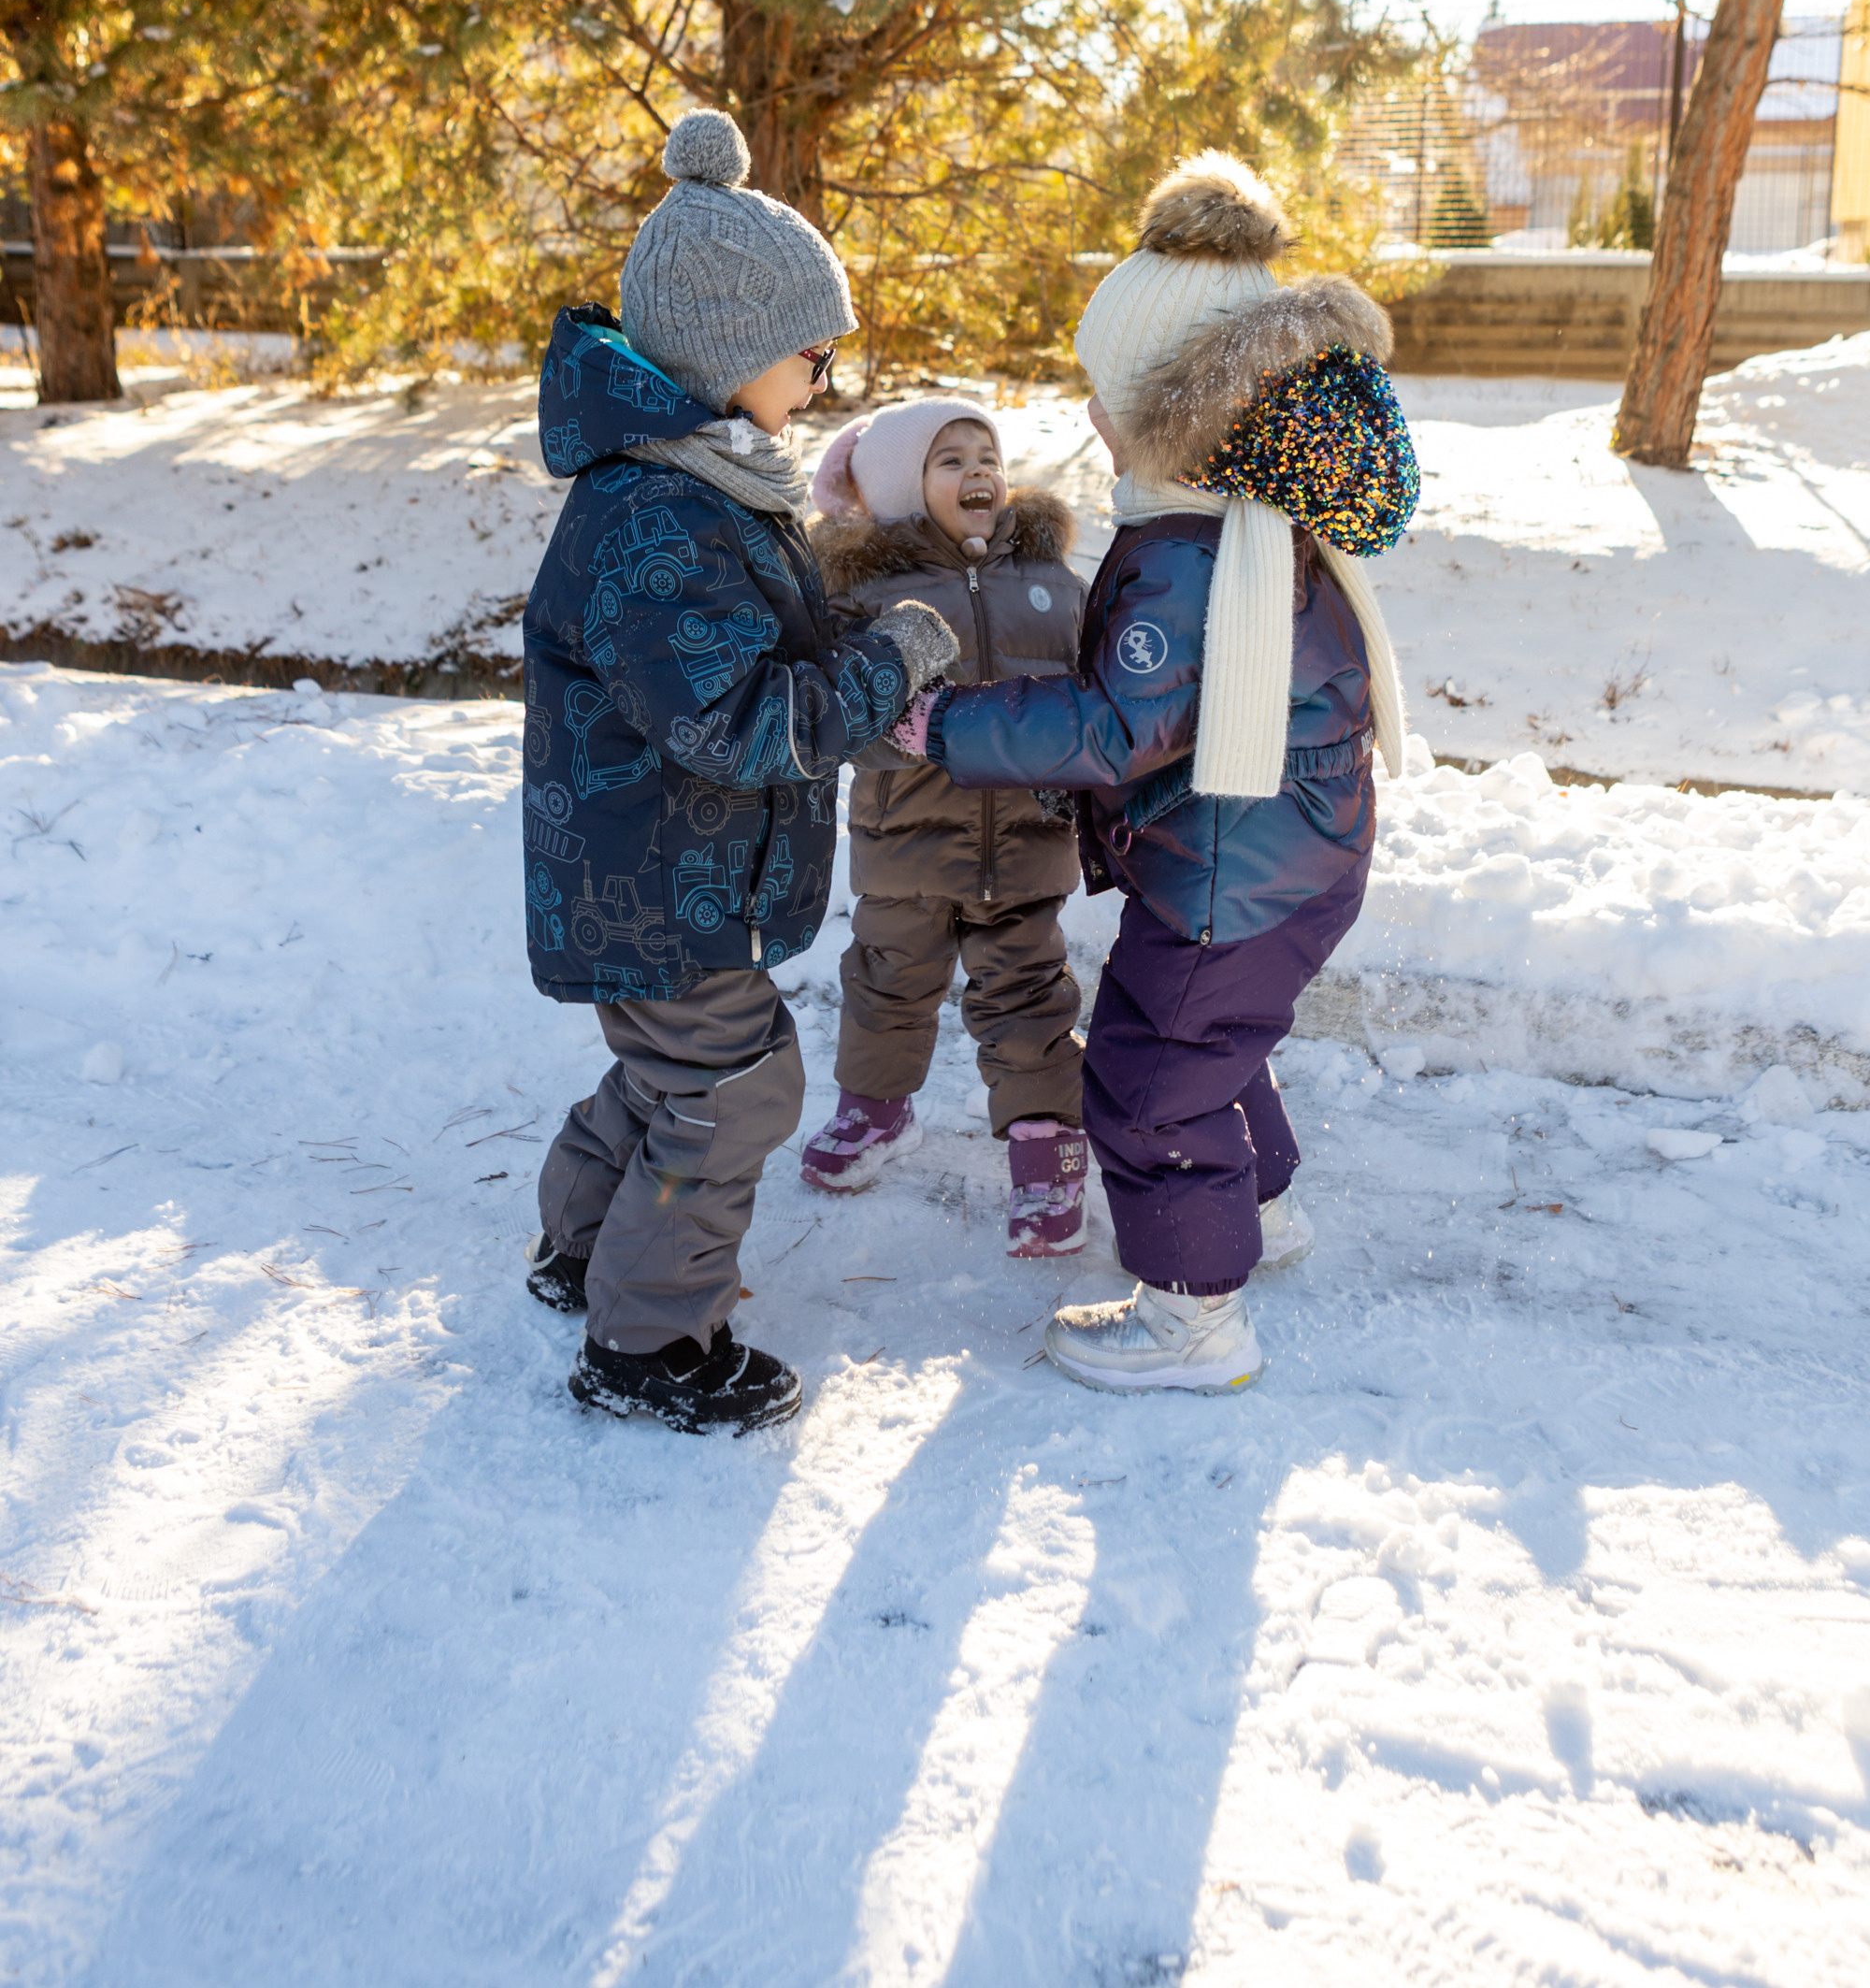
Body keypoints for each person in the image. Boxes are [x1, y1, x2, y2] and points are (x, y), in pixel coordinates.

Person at [886, 150, 1417, 1395]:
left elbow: (1115, 727)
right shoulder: (1251, 526)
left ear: (1184, 412)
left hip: (1234, 871)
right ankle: (1259, 1217)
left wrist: (940, 728)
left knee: (1143, 1079)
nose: (1089, 415)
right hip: (1283, 858)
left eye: (1107, 394)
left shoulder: (1184, 558)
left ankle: (1194, 1318)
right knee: (1208, 1046)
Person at [520, 109, 959, 1435]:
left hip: (659, 872)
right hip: (662, 880)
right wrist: (891, 667)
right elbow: (734, 722)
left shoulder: (697, 483)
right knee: (735, 1090)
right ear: (730, 349)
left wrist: (857, 634)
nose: (824, 380)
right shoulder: (661, 511)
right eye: (812, 353)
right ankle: (647, 1346)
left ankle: (583, 1251)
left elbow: (744, 652)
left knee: (673, 1079)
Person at [801, 399, 1090, 1251]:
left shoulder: (1051, 581)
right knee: (887, 984)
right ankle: (877, 1112)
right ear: (900, 488)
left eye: (987, 455)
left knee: (1029, 997)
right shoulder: (862, 593)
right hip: (906, 841)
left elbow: (1091, 695)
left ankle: (1047, 1157)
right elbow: (839, 710)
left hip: (1029, 840)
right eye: (949, 460)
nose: (978, 474)